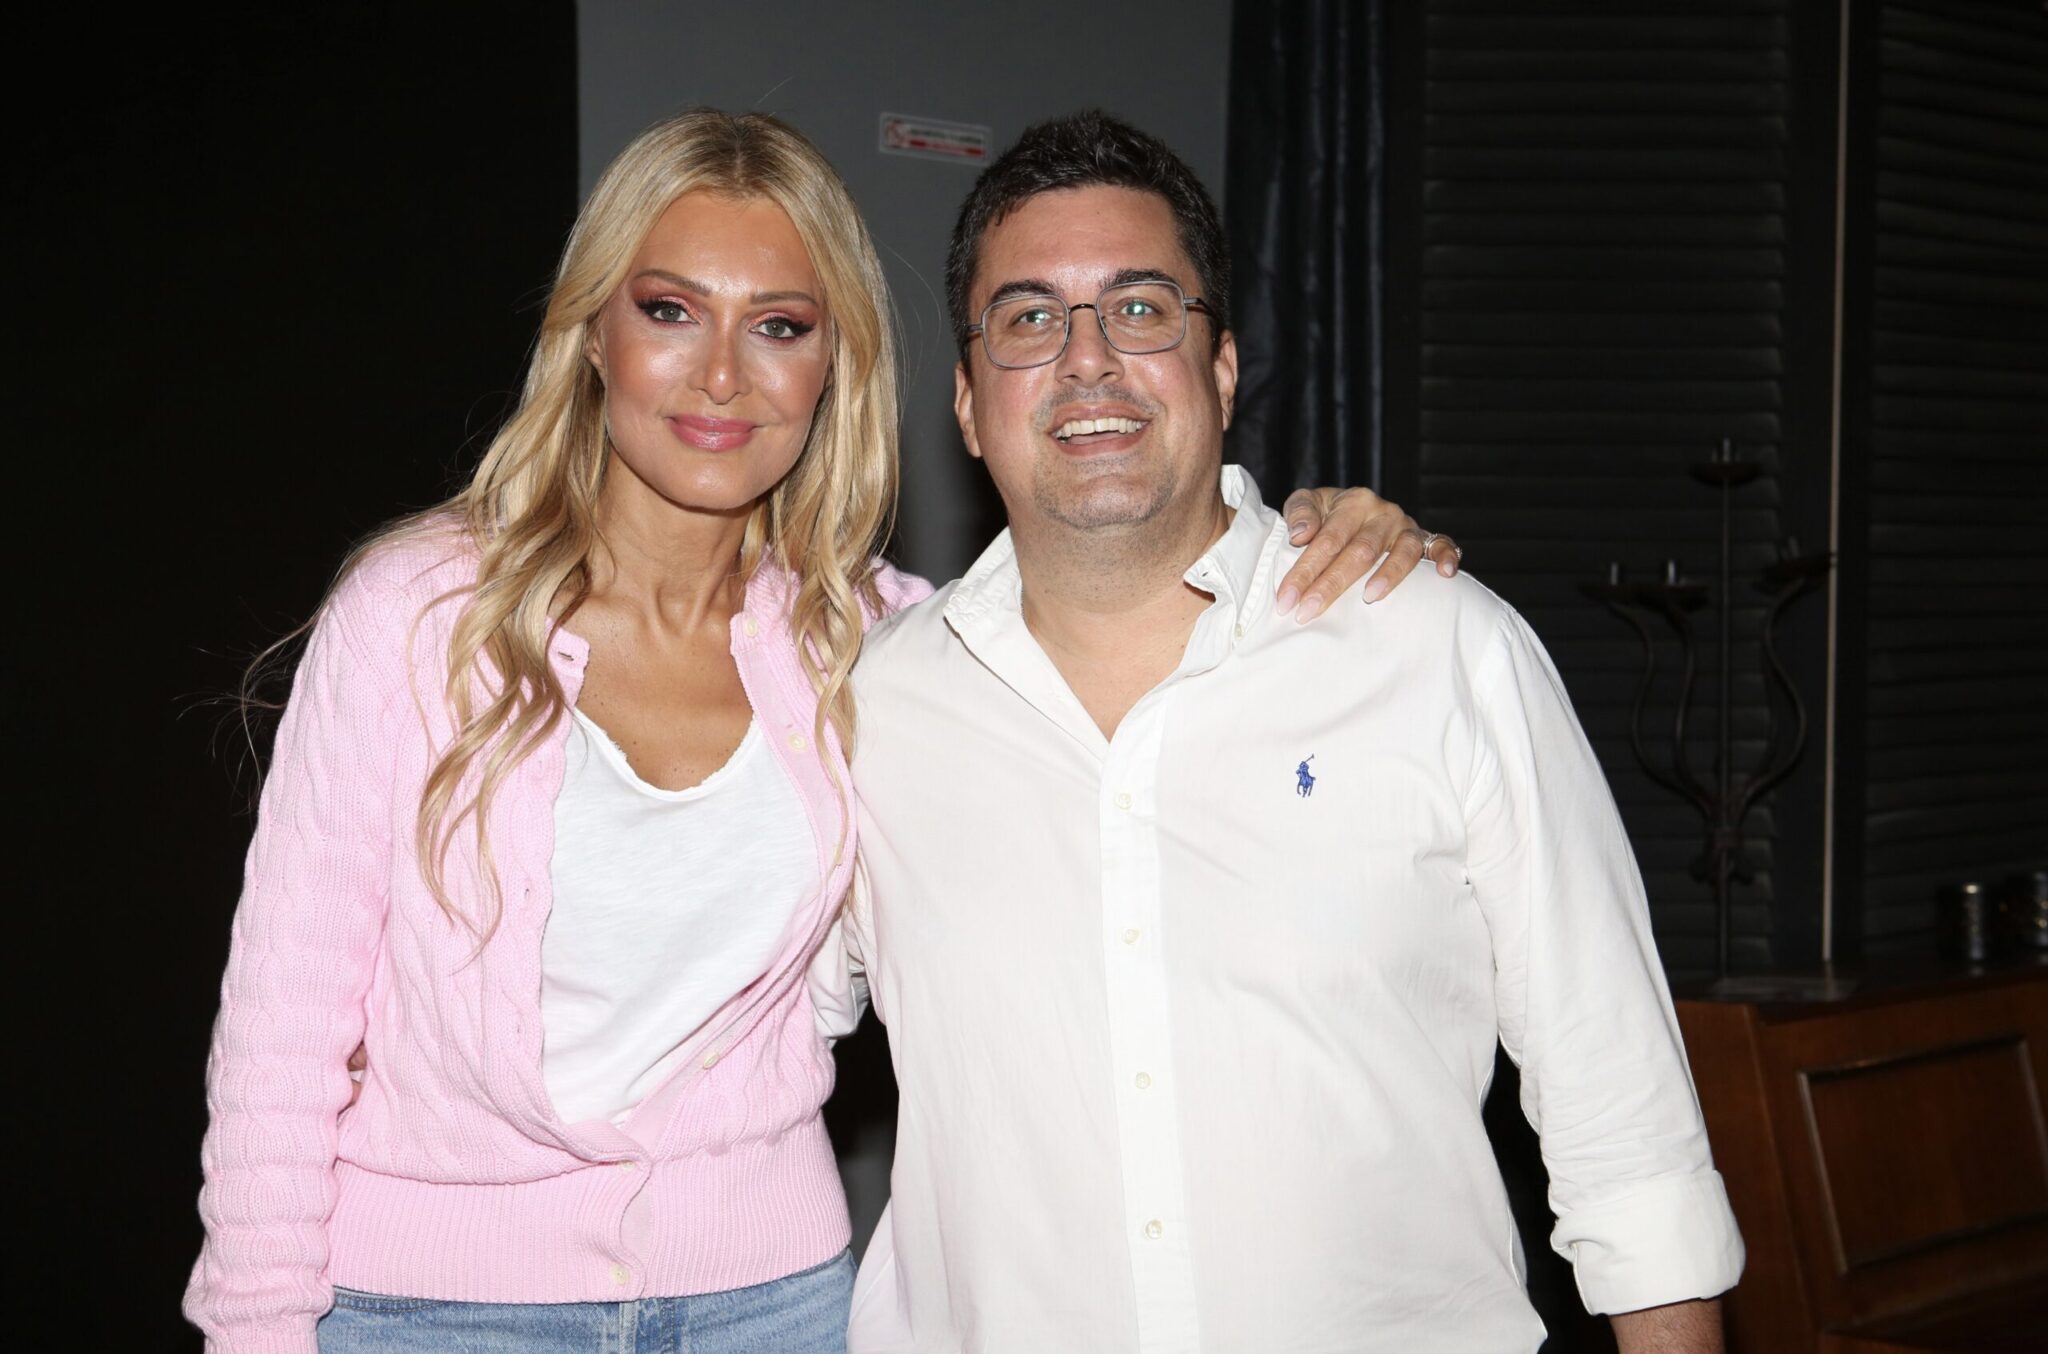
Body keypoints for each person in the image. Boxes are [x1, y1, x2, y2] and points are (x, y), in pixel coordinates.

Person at [184, 108, 1454, 1353]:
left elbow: (1117, 661)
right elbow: (278, 1043)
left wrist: (1311, 538)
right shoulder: (420, 613)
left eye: (779, 327)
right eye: (670, 311)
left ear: (831, 365)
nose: (721, 375)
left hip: (768, 1305)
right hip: (426, 1310)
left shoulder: (879, 643)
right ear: (590, 336)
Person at [841, 111, 1745, 1353]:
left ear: (1220, 370)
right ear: (963, 399)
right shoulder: (872, 711)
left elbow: (1623, 1115)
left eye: (1140, 307)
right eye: (1029, 317)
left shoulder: (1437, 649)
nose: (1087, 358)